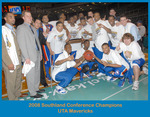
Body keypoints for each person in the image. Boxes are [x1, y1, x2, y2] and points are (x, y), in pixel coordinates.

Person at [17, 10, 44, 98]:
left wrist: (40, 52)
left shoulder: (32, 28)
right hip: (29, 55)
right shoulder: (21, 28)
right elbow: (21, 44)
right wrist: (26, 57)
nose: (30, 17)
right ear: (23, 17)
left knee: (37, 72)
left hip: (36, 53)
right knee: (31, 74)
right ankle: (32, 93)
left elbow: (37, 42)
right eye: (27, 16)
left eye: (30, 16)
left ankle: (36, 88)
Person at [2, 12, 28, 100]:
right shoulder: (3, 30)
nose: (13, 19)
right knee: (11, 82)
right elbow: (2, 49)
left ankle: (17, 94)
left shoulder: (14, 29)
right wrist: (8, 63)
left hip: (18, 59)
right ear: (5, 19)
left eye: (13, 17)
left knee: (17, 80)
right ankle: (12, 100)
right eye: (10, 17)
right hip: (10, 61)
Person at [33, 18, 48, 87]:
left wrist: (45, 37)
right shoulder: (30, 31)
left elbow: (43, 42)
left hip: (39, 53)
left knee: (41, 68)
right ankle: (34, 84)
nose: (38, 24)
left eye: (39, 23)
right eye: (37, 22)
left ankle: (43, 81)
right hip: (32, 53)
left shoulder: (40, 31)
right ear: (33, 23)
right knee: (33, 69)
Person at [40, 14, 53, 81]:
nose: (46, 19)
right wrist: (46, 33)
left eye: (47, 18)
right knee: (47, 60)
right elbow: (41, 38)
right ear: (42, 19)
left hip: (52, 45)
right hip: (45, 46)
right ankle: (47, 75)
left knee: (52, 60)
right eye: (44, 18)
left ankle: (53, 74)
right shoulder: (40, 27)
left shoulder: (51, 26)